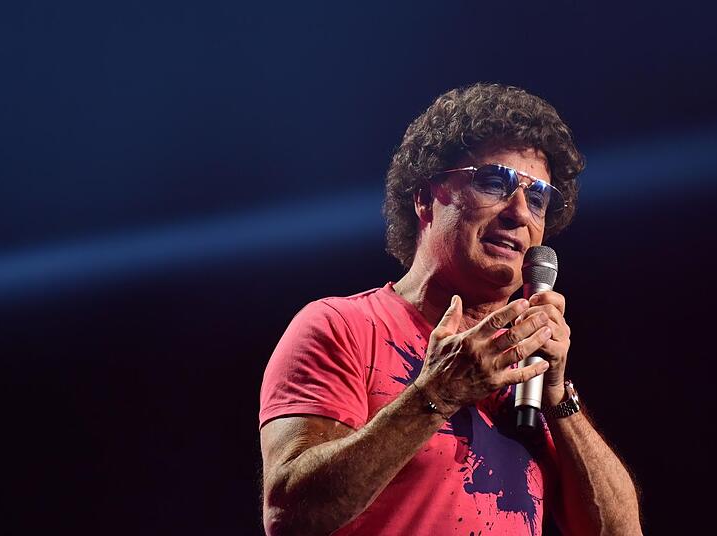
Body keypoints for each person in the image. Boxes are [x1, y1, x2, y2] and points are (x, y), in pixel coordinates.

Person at [259, 83, 642, 535]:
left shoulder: (531, 380)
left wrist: (558, 396)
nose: (520, 212)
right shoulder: (340, 327)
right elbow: (289, 515)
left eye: (537, 197)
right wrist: (438, 394)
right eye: (494, 182)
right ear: (426, 197)